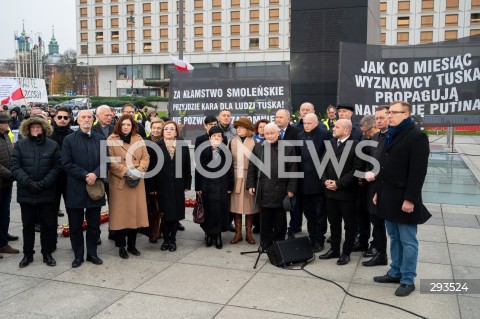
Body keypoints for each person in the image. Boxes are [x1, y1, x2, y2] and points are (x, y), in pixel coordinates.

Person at [373, 101, 431, 297]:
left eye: (394, 113)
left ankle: (408, 279)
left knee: (408, 240)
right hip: (387, 195)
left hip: (404, 198)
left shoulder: (417, 137)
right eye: (388, 112)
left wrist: (410, 199)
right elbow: (384, 165)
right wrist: (377, 192)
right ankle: (395, 271)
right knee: (394, 237)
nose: (389, 116)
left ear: (406, 115)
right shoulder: (391, 133)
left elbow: (418, 173)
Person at [11, 117, 61, 267]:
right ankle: (28, 254)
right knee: (28, 225)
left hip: (46, 192)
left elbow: (57, 167)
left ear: (44, 129)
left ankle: (47, 253)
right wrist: (28, 183)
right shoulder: (20, 145)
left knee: (47, 225)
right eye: (33, 127)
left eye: (38, 127)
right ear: (28, 129)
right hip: (26, 192)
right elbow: (15, 166)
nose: (35, 130)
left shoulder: (52, 145)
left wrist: (44, 183)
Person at [62, 110, 106, 268]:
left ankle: (92, 254)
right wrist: (84, 174)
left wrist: (95, 174)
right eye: (83, 117)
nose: (86, 119)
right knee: (75, 225)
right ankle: (78, 255)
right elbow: (66, 163)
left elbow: (105, 162)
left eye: (89, 117)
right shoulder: (69, 140)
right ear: (78, 120)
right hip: (76, 188)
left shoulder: (101, 139)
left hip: (95, 189)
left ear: (93, 120)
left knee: (94, 226)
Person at [246, 123, 297, 250]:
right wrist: (251, 184)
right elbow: (252, 167)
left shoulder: (288, 148)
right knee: (265, 219)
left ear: (278, 133)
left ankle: (279, 243)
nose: (269, 136)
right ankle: (265, 243)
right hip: (263, 189)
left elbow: (293, 169)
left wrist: (291, 189)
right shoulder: (259, 147)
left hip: (281, 189)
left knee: (280, 219)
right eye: (267, 133)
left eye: (272, 133)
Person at [319, 119, 362, 266]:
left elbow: (356, 170)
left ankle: (346, 253)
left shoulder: (356, 145)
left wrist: (338, 184)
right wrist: (325, 180)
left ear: (346, 130)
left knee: (349, 225)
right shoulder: (330, 143)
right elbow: (322, 164)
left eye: (337, 127)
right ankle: (334, 249)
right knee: (334, 222)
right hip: (330, 191)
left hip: (347, 193)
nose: (333, 129)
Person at [108, 115, 150, 259]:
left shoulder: (139, 139)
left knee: (134, 215)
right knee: (121, 216)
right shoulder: (111, 140)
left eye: (128, 125)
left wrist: (140, 170)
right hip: (120, 182)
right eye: (123, 124)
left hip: (137, 181)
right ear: (119, 126)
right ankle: (121, 246)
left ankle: (132, 245)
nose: (126, 127)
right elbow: (111, 161)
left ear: (133, 126)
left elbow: (146, 157)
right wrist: (126, 172)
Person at [147, 121, 191, 252]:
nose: (168, 131)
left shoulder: (182, 146)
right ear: (163, 131)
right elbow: (151, 169)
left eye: (172, 129)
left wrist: (187, 183)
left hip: (177, 185)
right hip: (161, 186)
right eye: (166, 129)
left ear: (176, 132)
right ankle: (166, 239)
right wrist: (152, 187)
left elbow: (187, 166)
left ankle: (173, 240)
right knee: (165, 214)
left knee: (175, 214)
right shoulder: (156, 146)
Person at [297, 113, 332, 253]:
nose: (306, 126)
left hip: (319, 181)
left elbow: (329, 158)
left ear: (316, 123)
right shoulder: (300, 136)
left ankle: (319, 239)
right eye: (304, 123)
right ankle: (312, 237)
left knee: (320, 213)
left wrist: (325, 178)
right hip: (304, 182)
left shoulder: (325, 134)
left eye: (309, 123)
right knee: (309, 213)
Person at [195, 126, 234, 249]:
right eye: (214, 136)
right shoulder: (204, 151)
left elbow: (230, 170)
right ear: (209, 138)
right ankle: (208, 234)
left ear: (222, 138)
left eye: (219, 136)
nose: (217, 138)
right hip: (206, 186)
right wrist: (198, 187)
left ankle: (217, 235)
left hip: (221, 186)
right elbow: (198, 170)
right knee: (208, 211)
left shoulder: (226, 152)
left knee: (219, 211)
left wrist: (230, 186)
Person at [362, 106, 389, 267]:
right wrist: (367, 172)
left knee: (381, 222)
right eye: (377, 118)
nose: (379, 121)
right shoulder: (376, 137)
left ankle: (381, 253)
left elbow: (389, 164)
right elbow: (371, 160)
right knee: (375, 221)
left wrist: (376, 174)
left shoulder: (391, 137)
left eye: (382, 118)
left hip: (383, 187)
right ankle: (380, 252)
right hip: (371, 185)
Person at [228, 117, 259, 245]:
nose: (239, 129)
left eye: (241, 127)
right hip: (235, 176)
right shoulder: (231, 142)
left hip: (249, 176)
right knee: (236, 207)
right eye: (237, 128)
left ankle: (249, 234)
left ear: (248, 130)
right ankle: (238, 233)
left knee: (249, 207)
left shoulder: (255, 142)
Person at [275, 109, 302, 238]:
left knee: (293, 203)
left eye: (281, 117)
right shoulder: (272, 132)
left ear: (288, 119)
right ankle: (279, 228)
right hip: (276, 175)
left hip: (292, 172)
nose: (278, 119)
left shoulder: (297, 133)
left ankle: (293, 227)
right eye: (276, 117)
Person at [0, 113, 20, 259]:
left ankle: (3, 236)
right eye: (4, 122)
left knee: (4, 212)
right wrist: (11, 174)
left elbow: (11, 155)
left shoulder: (6, 135)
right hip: (4, 179)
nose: (7, 123)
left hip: (6, 183)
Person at [49, 107, 74, 219]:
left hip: (69, 177)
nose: (62, 119)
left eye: (65, 117)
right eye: (59, 117)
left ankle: (74, 234)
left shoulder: (74, 135)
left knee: (72, 209)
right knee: (52, 209)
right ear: (54, 118)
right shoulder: (47, 135)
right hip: (52, 177)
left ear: (69, 119)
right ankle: (51, 235)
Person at [144, 118, 164, 243]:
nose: (156, 130)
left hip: (163, 181)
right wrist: (151, 187)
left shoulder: (166, 142)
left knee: (161, 208)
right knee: (152, 208)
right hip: (149, 180)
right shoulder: (144, 141)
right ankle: (152, 232)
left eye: (159, 128)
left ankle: (160, 230)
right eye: (154, 128)